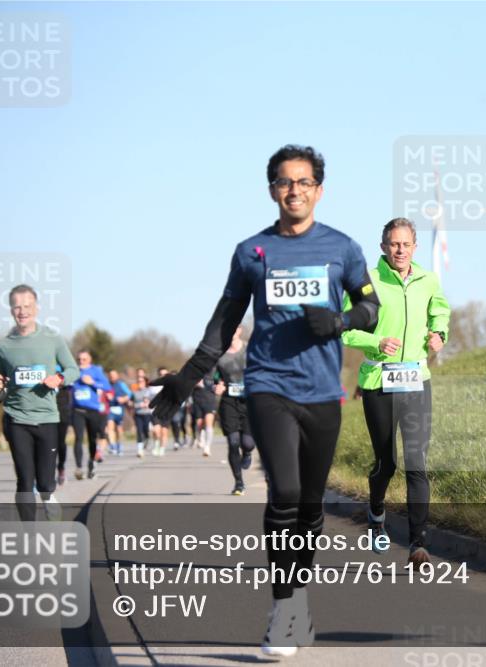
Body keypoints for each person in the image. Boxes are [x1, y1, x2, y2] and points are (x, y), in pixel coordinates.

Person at [150, 144, 380, 657]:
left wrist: (340, 321)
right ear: (272, 189)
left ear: (319, 190)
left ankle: (298, 596)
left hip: (322, 394)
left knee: (312, 507)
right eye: (284, 181)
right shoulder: (251, 252)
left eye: (303, 182)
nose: (293, 190)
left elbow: (371, 307)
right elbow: (223, 323)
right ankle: (283, 608)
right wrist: (187, 378)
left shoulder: (342, 248)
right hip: (269, 387)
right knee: (286, 494)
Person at [342, 218, 450, 565]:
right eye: (393, 244)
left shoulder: (428, 280)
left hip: (417, 380)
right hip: (378, 382)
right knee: (386, 463)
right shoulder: (368, 282)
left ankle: (418, 543)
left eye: (405, 244)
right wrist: (376, 341)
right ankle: (376, 515)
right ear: (383, 247)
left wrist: (439, 335)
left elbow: (440, 313)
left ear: (415, 247)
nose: (399, 250)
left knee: (417, 463)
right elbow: (346, 331)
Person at [0, 285, 80, 521]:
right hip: (16, 418)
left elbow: (73, 370)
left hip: (48, 418)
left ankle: (48, 496)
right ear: (11, 310)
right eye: (17, 306)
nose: (22, 311)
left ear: (36, 308)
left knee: (44, 482)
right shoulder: (3, 346)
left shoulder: (53, 339)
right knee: (24, 478)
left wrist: (59, 378)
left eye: (27, 306)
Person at [212, 324, 255, 495]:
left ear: (239, 330)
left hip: (250, 401)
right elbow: (213, 378)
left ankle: (248, 453)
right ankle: (239, 483)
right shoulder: (219, 355)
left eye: (234, 328)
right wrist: (216, 386)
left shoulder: (250, 349)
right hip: (229, 401)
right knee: (233, 442)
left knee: (247, 443)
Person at [71, 350, 111, 479]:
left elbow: (107, 387)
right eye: (79, 359)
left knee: (92, 439)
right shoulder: (74, 371)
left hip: (93, 411)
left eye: (84, 359)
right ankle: (78, 468)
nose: (81, 362)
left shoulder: (96, 371)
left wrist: (92, 382)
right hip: (77, 410)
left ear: (90, 360)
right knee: (78, 437)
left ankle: (91, 465)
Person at [192, 371, 218, 457]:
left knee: (208, 423)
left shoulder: (214, 373)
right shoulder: (194, 372)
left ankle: (207, 447)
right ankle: (201, 439)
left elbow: (219, 384)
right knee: (199, 423)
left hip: (210, 401)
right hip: (197, 400)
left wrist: (217, 387)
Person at [106, 369, 132, 456]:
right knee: (110, 427)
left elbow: (129, 394)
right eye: (111, 375)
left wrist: (124, 399)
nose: (112, 377)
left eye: (114, 375)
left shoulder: (121, 384)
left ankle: (119, 445)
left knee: (118, 429)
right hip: (110, 408)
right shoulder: (107, 385)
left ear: (117, 376)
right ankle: (112, 446)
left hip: (119, 408)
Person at [132, 370, 154, 458]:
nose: (140, 383)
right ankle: (139, 450)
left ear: (145, 382)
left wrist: (149, 403)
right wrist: (139, 405)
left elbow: (154, 401)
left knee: (146, 430)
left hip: (147, 414)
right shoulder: (134, 392)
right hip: (138, 414)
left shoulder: (149, 391)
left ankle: (147, 439)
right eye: (138, 382)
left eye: (141, 381)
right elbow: (131, 404)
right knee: (139, 431)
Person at [55, 376, 73, 485]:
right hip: (45, 415)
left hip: (62, 415)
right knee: (46, 444)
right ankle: (45, 473)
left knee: (60, 443)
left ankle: (61, 468)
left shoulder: (65, 382)